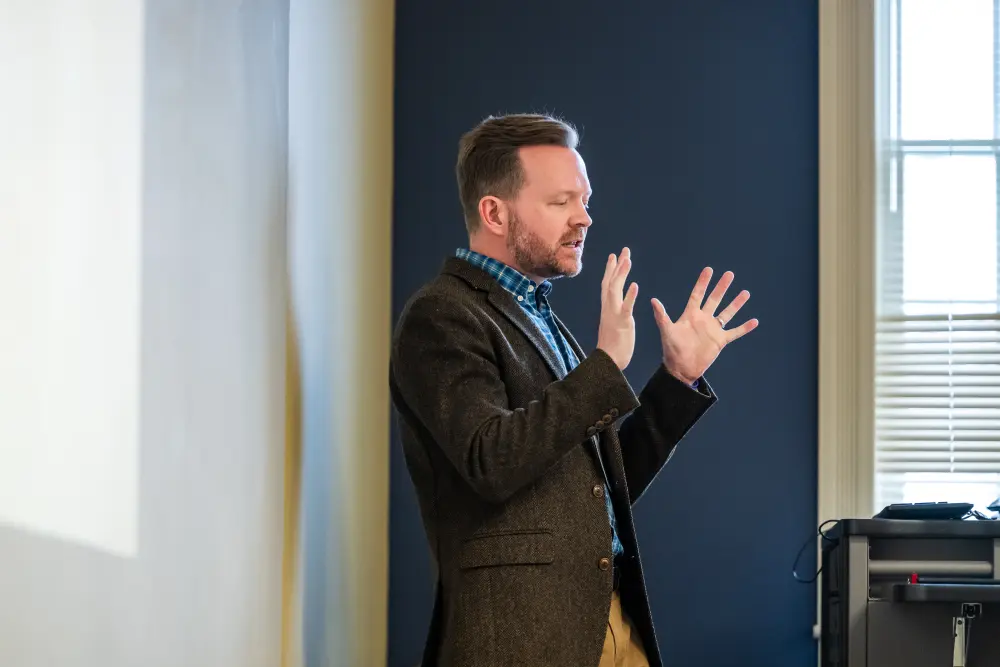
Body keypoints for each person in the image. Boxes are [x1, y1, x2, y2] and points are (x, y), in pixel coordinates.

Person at [389, 113, 758, 667]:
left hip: (611, 626)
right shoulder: (442, 315)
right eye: (561, 202)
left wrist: (676, 381)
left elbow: (598, 490)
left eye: (584, 200)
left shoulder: (544, 320)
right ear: (494, 211)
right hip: (519, 641)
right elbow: (490, 460)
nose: (584, 218)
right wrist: (606, 365)